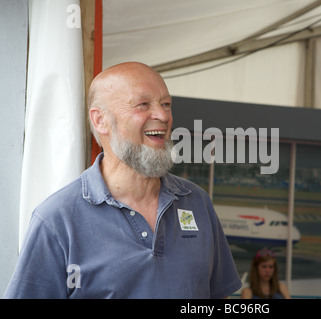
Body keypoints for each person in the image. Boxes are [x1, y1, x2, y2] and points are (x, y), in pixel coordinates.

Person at [4, 62, 242, 298]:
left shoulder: (196, 202)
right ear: (100, 121)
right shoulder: (57, 219)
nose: (162, 115)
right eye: (143, 104)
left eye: (166, 104)